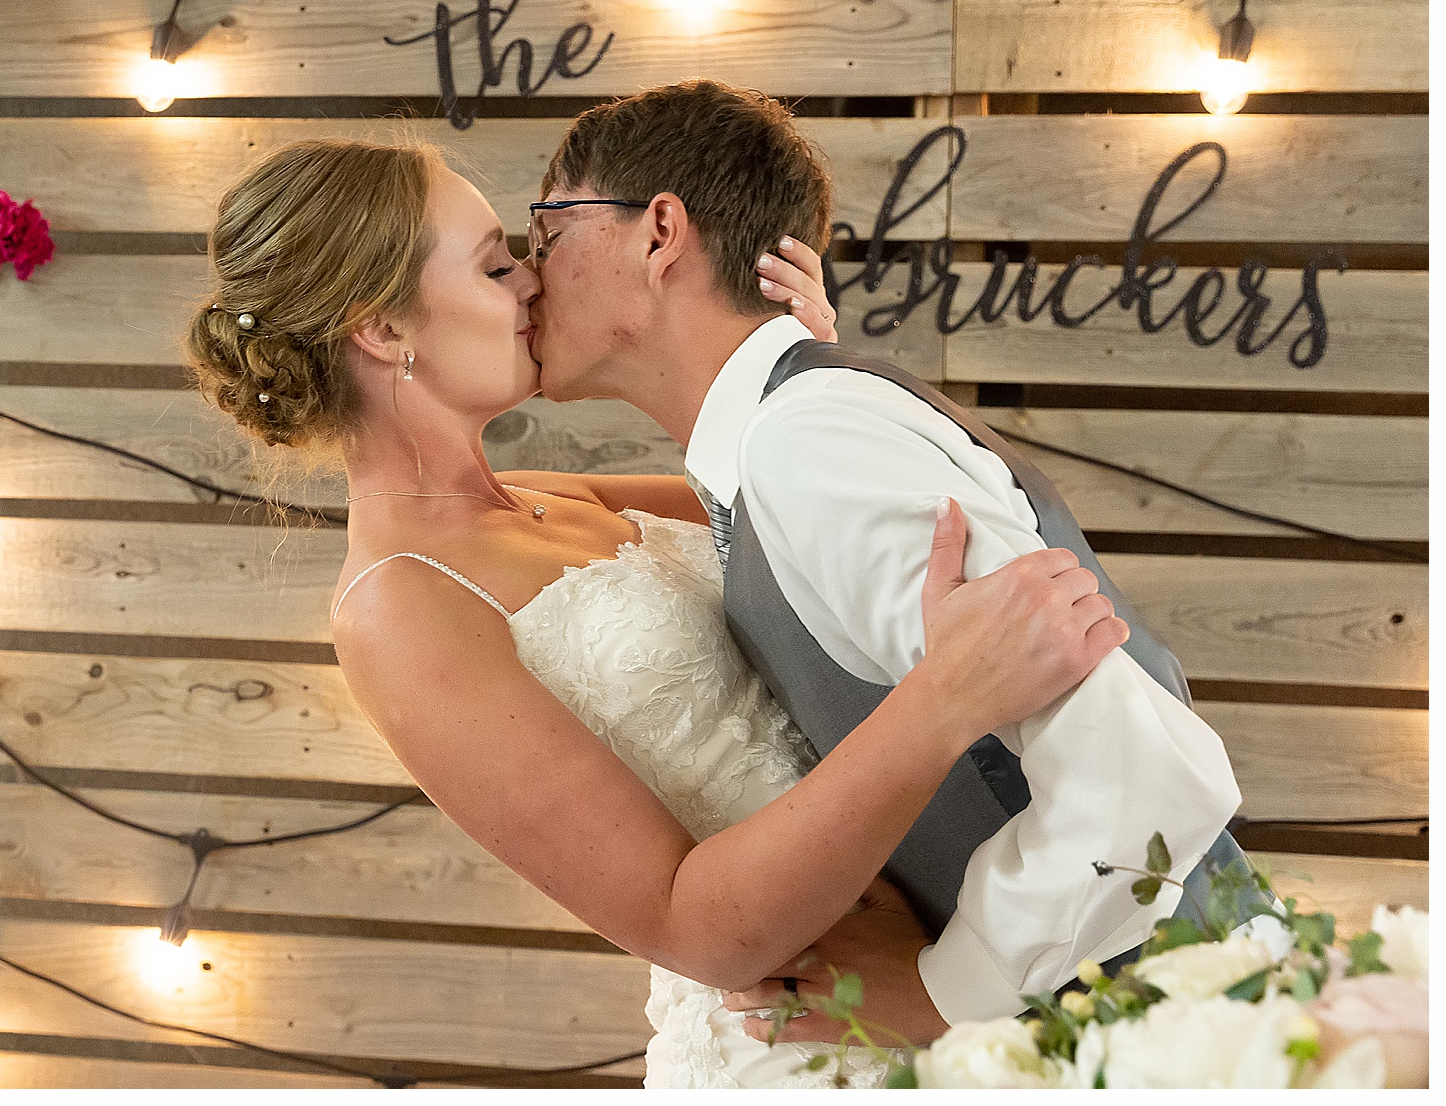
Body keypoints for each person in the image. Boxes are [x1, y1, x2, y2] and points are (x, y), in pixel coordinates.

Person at [187, 135, 1135, 1086]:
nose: (530, 279)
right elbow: (690, 923)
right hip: (804, 1045)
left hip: (957, 975)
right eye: (491, 263)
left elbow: (805, 491)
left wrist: (797, 367)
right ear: (384, 330)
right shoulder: (397, 605)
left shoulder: (553, 496)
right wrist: (943, 704)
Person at [528, 79, 1250, 1045]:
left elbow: (1153, 775)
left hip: (1182, 1028)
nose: (532, 274)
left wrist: (945, 990)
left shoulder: (809, 440)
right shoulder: (788, 435)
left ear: (660, 231)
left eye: (549, 232)